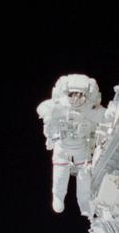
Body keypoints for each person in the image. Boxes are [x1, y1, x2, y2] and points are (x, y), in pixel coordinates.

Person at [36, 74, 104, 214]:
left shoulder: (88, 108)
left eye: (81, 96)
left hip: (81, 147)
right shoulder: (60, 104)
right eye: (73, 95)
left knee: (84, 176)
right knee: (60, 174)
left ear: (86, 95)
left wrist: (112, 113)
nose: (77, 99)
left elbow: (105, 115)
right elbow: (42, 107)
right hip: (62, 146)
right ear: (67, 93)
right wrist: (48, 115)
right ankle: (58, 196)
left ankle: (84, 203)